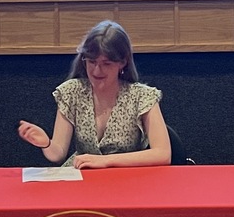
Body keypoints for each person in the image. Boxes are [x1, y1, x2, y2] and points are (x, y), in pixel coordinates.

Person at [17, 20, 171, 169]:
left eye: (106, 64)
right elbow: (57, 154)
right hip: (82, 178)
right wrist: (46, 144)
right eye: (91, 62)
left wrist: (105, 161)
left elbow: (163, 154)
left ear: (122, 63)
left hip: (126, 178)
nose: (97, 71)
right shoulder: (72, 91)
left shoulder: (143, 96)